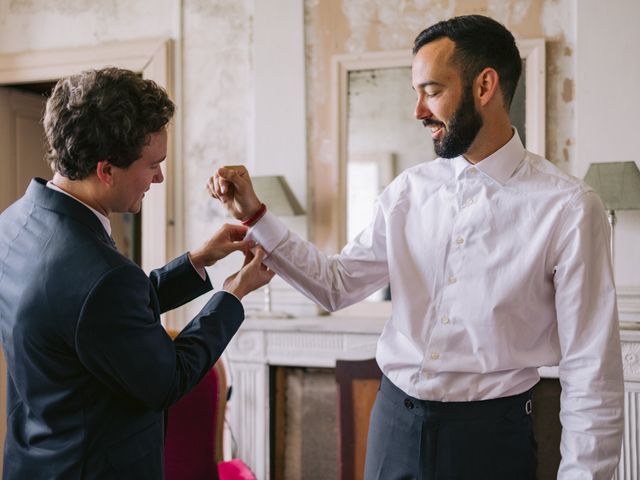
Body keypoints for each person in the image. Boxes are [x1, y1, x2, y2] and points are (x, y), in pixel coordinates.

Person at [209, 14, 624, 480]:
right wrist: (255, 215)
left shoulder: (568, 207)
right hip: (393, 428)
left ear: (484, 85)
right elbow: (336, 285)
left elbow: (593, 375)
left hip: (490, 443)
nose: (418, 111)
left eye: (431, 90)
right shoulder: (408, 192)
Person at [0, 67, 274, 479]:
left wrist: (197, 261)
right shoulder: (100, 274)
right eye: (152, 165)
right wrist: (233, 295)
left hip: (34, 461)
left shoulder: (15, 221)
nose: (159, 177)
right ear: (106, 169)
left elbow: (92, 320)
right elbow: (168, 380)